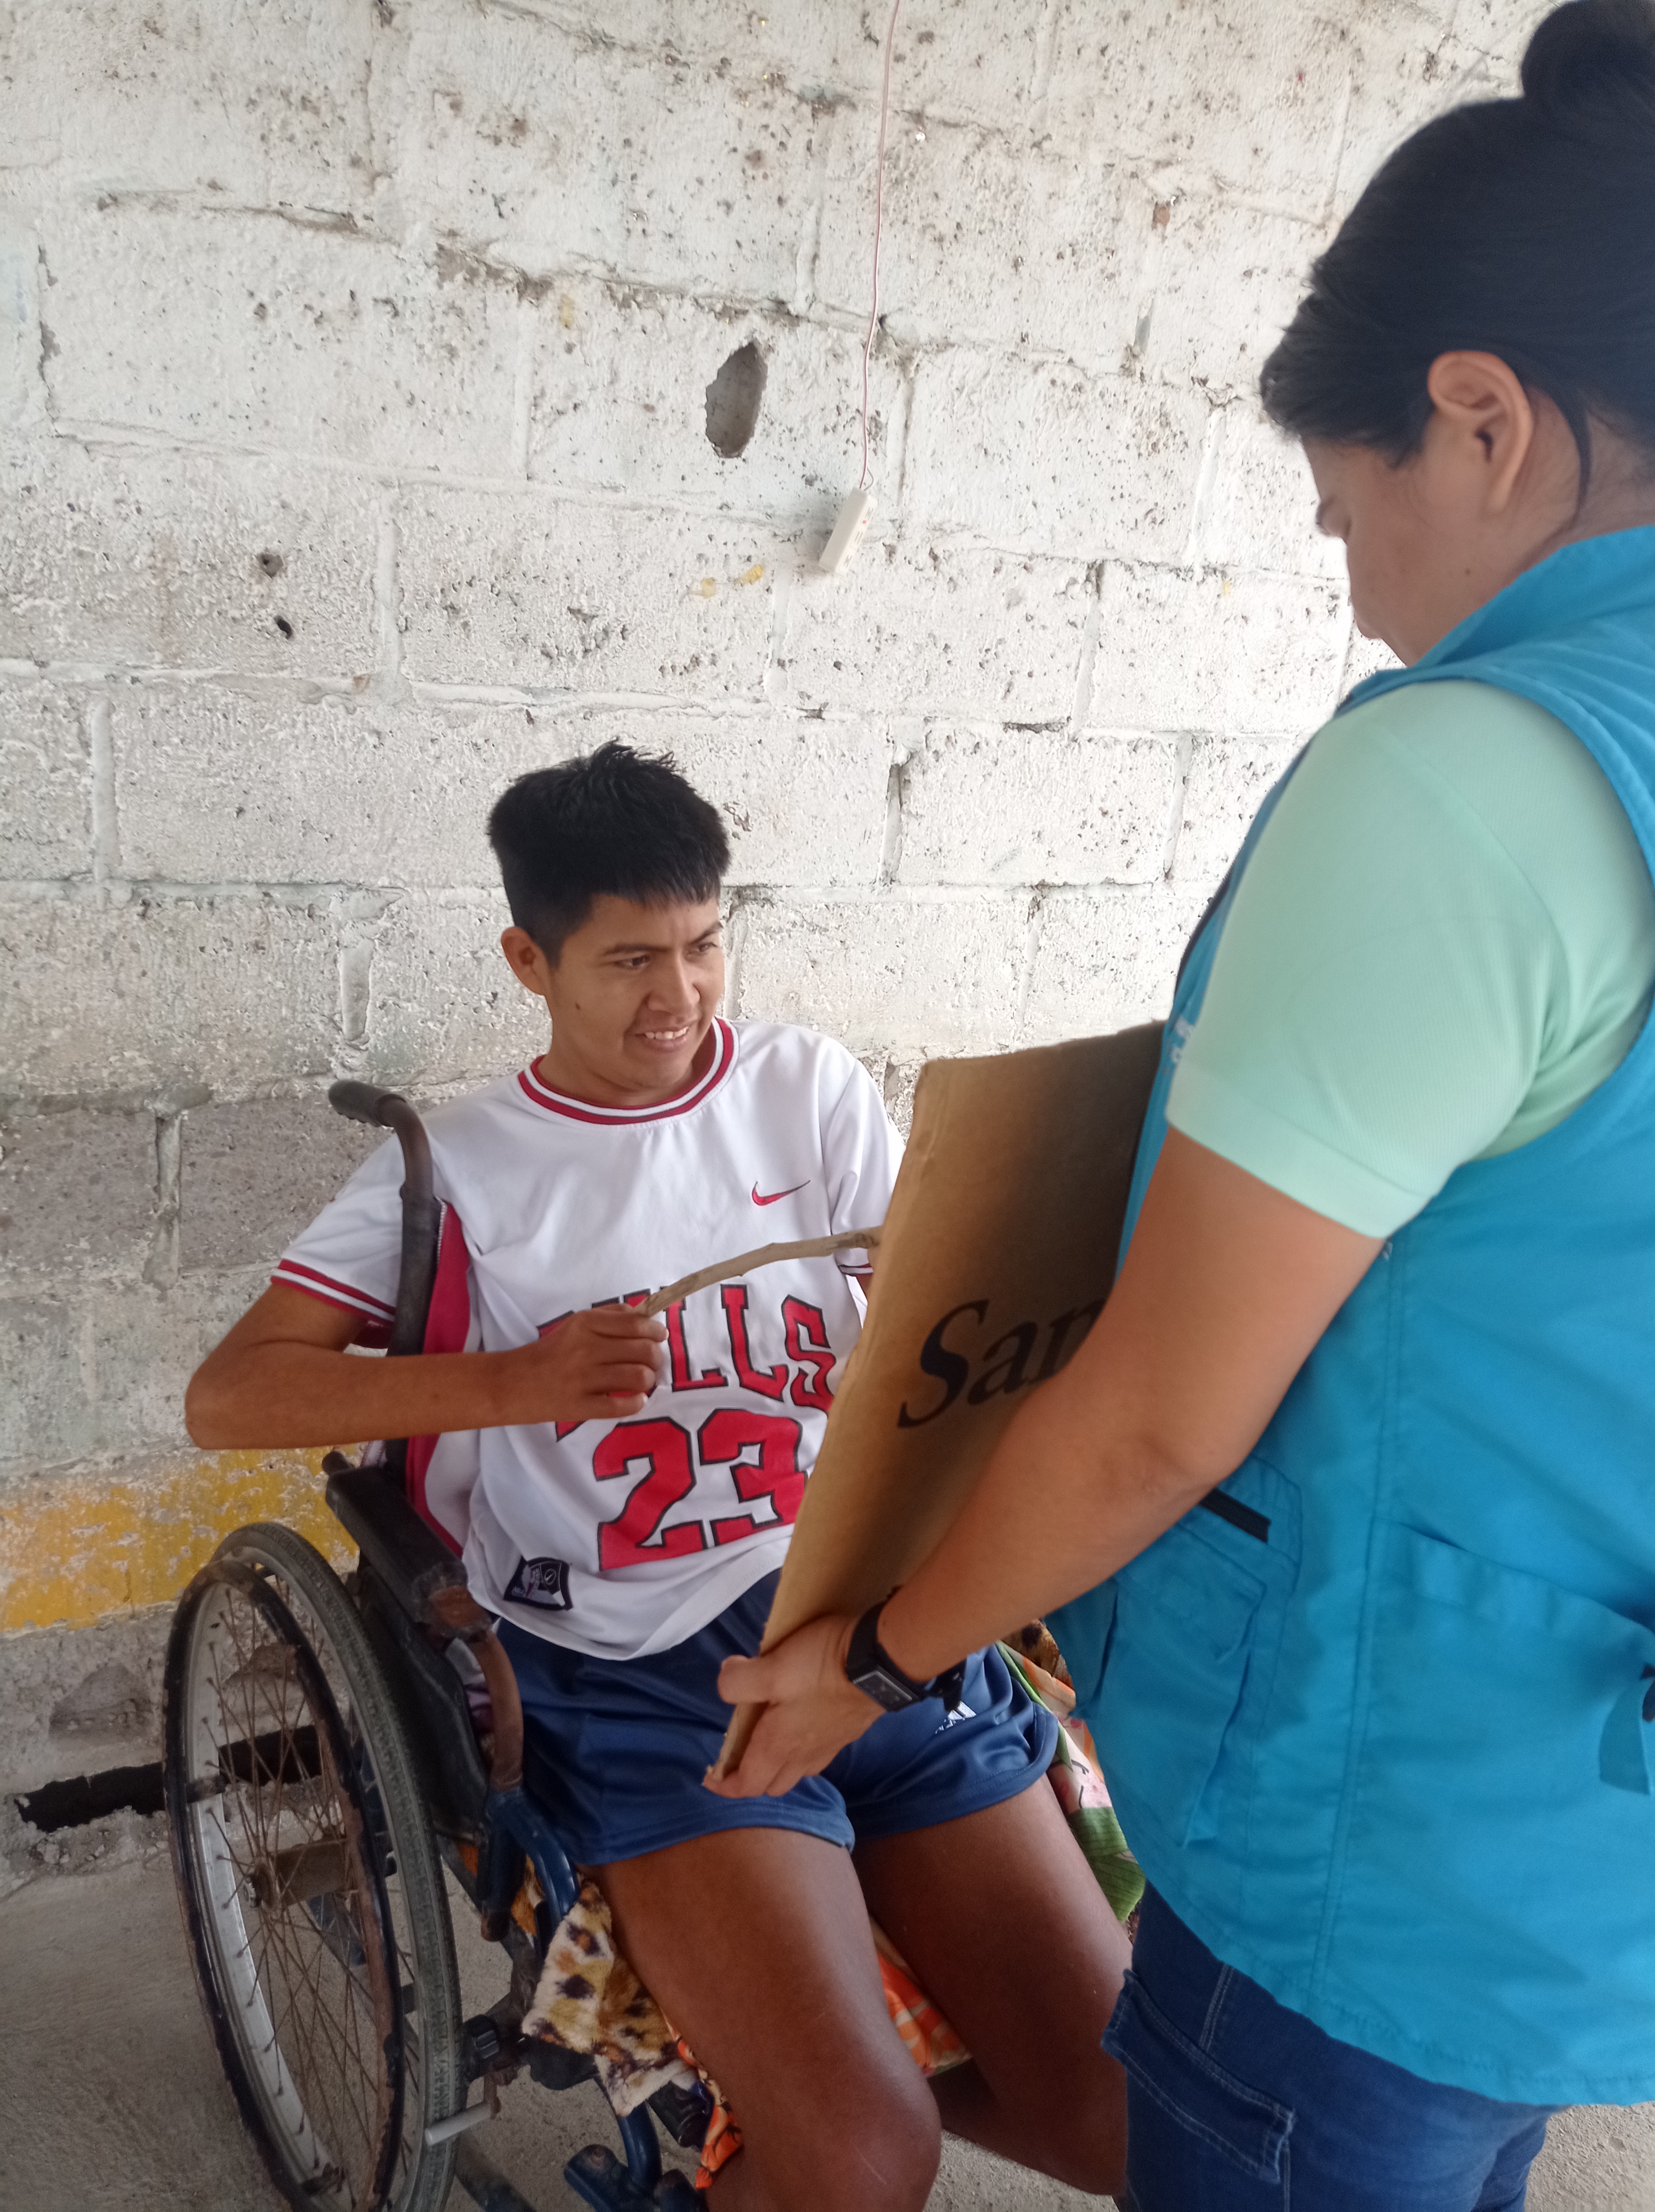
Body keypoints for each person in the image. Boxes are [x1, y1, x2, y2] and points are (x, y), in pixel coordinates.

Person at [706, 4, 1655, 2206]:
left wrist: (885, 1657)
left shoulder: (1467, 786)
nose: (1359, 588)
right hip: (1585, 1823)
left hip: (1376, 1842)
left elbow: (1154, 1419)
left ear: (1483, 419)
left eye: (1346, 511)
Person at [185, 742, 1128, 2210]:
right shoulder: (470, 1167)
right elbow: (229, 1395)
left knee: (1133, 2124)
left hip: (866, 1626)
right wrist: (517, 1382)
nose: (679, 996)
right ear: (530, 961)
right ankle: (816, 2094)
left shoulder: (804, 1090)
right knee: (864, 2161)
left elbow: (935, 1314)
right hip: (637, 1675)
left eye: (702, 946)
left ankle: (831, 2061)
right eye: (630, 959)